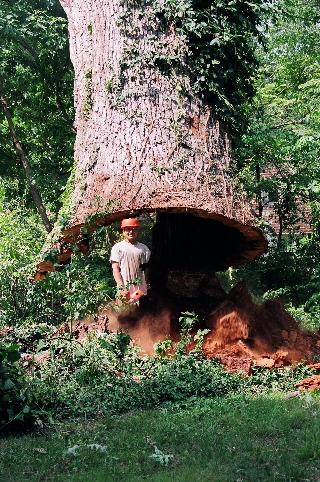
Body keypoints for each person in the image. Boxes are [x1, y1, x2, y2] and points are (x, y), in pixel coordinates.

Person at [110, 218, 151, 301]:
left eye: (134, 229)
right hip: (125, 290)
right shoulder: (118, 248)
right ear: (123, 231)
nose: (131, 232)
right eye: (128, 229)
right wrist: (121, 288)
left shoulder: (144, 248)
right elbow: (115, 269)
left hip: (141, 290)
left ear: (138, 231)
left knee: (143, 312)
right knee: (125, 312)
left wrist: (147, 282)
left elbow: (147, 268)